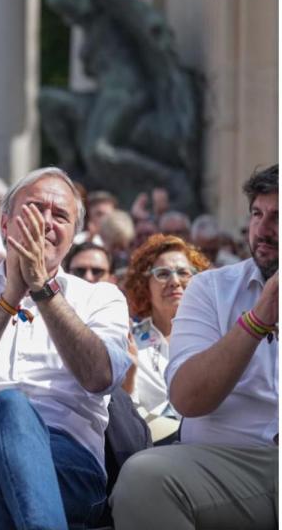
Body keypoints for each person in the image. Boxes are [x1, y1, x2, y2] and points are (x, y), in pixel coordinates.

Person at [0, 167, 131, 529]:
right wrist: (9, 298)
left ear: (73, 237)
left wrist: (43, 291)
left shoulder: (102, 298)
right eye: (35, 209)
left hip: (67, 461)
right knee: (10, 406)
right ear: (5, 225)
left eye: (60, 215)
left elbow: (100, 377)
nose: (46, 222)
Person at [112, 164, 278, 529]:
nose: (264, 229)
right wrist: (258, 319)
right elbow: (187, 399)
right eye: (257, 214)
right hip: (227, 464)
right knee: (143, 480)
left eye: (277, 217)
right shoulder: (211, 288)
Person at [119, 234, 210, 443]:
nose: (174, 282)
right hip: (149, 445)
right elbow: (123, 413)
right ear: (145, 285)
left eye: (183, 273)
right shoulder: (129, 339)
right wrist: (128, 379)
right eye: (162, 274)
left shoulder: (215, 338)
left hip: (207, 444)